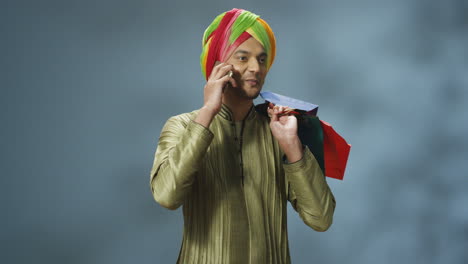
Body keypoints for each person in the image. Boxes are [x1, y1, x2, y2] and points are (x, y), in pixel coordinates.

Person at [149, 8, 336, 264]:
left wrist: (293, 147)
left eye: (261, 59)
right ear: (218, 66)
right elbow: (166, 196)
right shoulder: (182, 126)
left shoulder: (279, 130)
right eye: (243, 57)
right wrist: (206, 114)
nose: (255, 68)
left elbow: (321, 219)